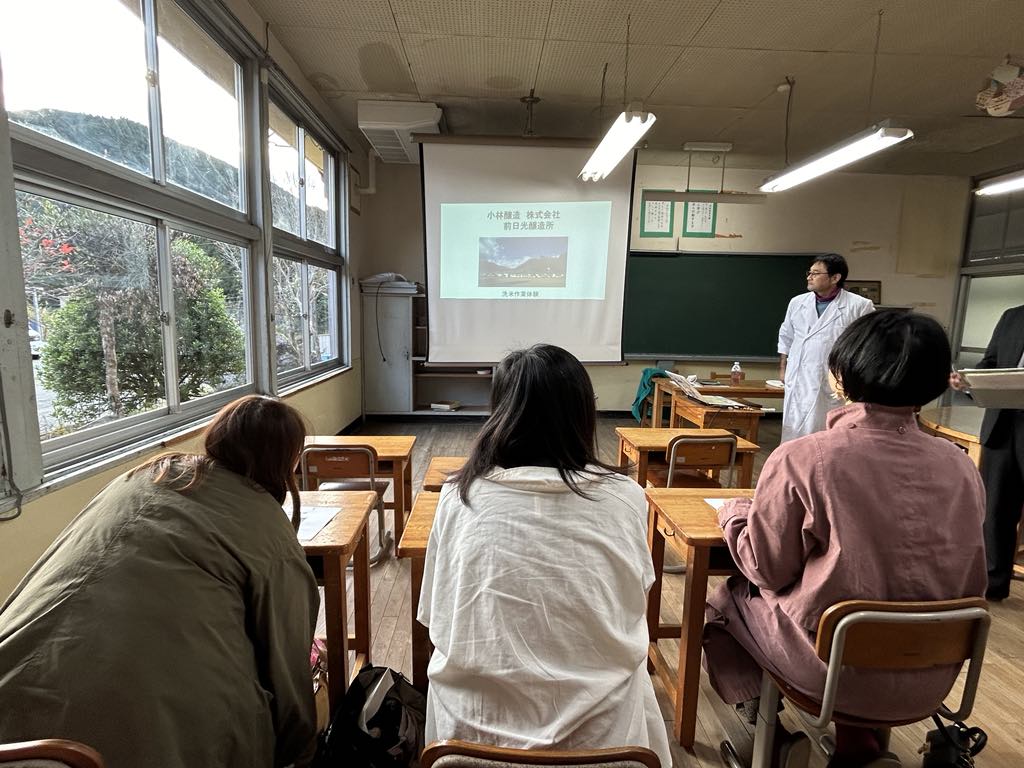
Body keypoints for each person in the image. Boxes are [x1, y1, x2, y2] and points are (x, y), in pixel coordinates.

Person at [704, 310, 986, 768]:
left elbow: (766, 568)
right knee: (861, 604)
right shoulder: (961, 466)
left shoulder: (805, 456)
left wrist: (736, 514)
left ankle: (770, 742)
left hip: (835, 671)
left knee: (729, 600)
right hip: (935, 672)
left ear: (844, 374)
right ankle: (857, 749)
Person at [0, 395, 320, 768]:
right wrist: (302, 748)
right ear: (288, 459)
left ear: (216, 435)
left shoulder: (141, 478)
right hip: (151, 740)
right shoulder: (266, 527)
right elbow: (288, 654)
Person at [418, 344, 672, 768]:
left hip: (468, 742)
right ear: (582, 414)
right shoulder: (625, 497)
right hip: (606, 746)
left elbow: (435, 616)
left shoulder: (457, 496)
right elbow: (634, 602)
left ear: (498, 411)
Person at [950, 303, 1024, 601]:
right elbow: (990, 363)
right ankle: (993, 582)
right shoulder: (1013, 316)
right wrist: (967, 381)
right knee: (996, 509)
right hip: (1003, 424)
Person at [778, 253, 875, 442]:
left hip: (832, 381)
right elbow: (786, 336)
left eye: (815, 273)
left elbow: (868, 345)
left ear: (835, 278)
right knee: (793, 434)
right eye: (809, 272)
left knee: (826, 435)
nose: (809, 277)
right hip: (798, 378)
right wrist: (783, 368)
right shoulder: (797, 302)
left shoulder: (859, 306)